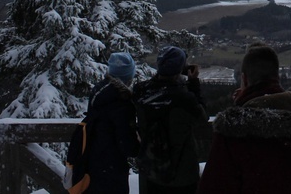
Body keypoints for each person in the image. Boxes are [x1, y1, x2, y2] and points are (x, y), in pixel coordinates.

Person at [197, 42, 291, 194]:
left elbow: (213, 186)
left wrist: (241, 106)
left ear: (244, 79)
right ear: (277, 76)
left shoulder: (232, 128)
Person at [134, 46, 208, 194]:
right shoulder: (185, 99)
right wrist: (193, 84)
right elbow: (202, 118)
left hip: (150, 171)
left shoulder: (141, 91)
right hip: (182, 175)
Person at [85, 52, 140, 194]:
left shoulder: (99, 91)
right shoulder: (122, 101)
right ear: (129, 75)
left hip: (93, 161)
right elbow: (126, 143)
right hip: (113, 165)